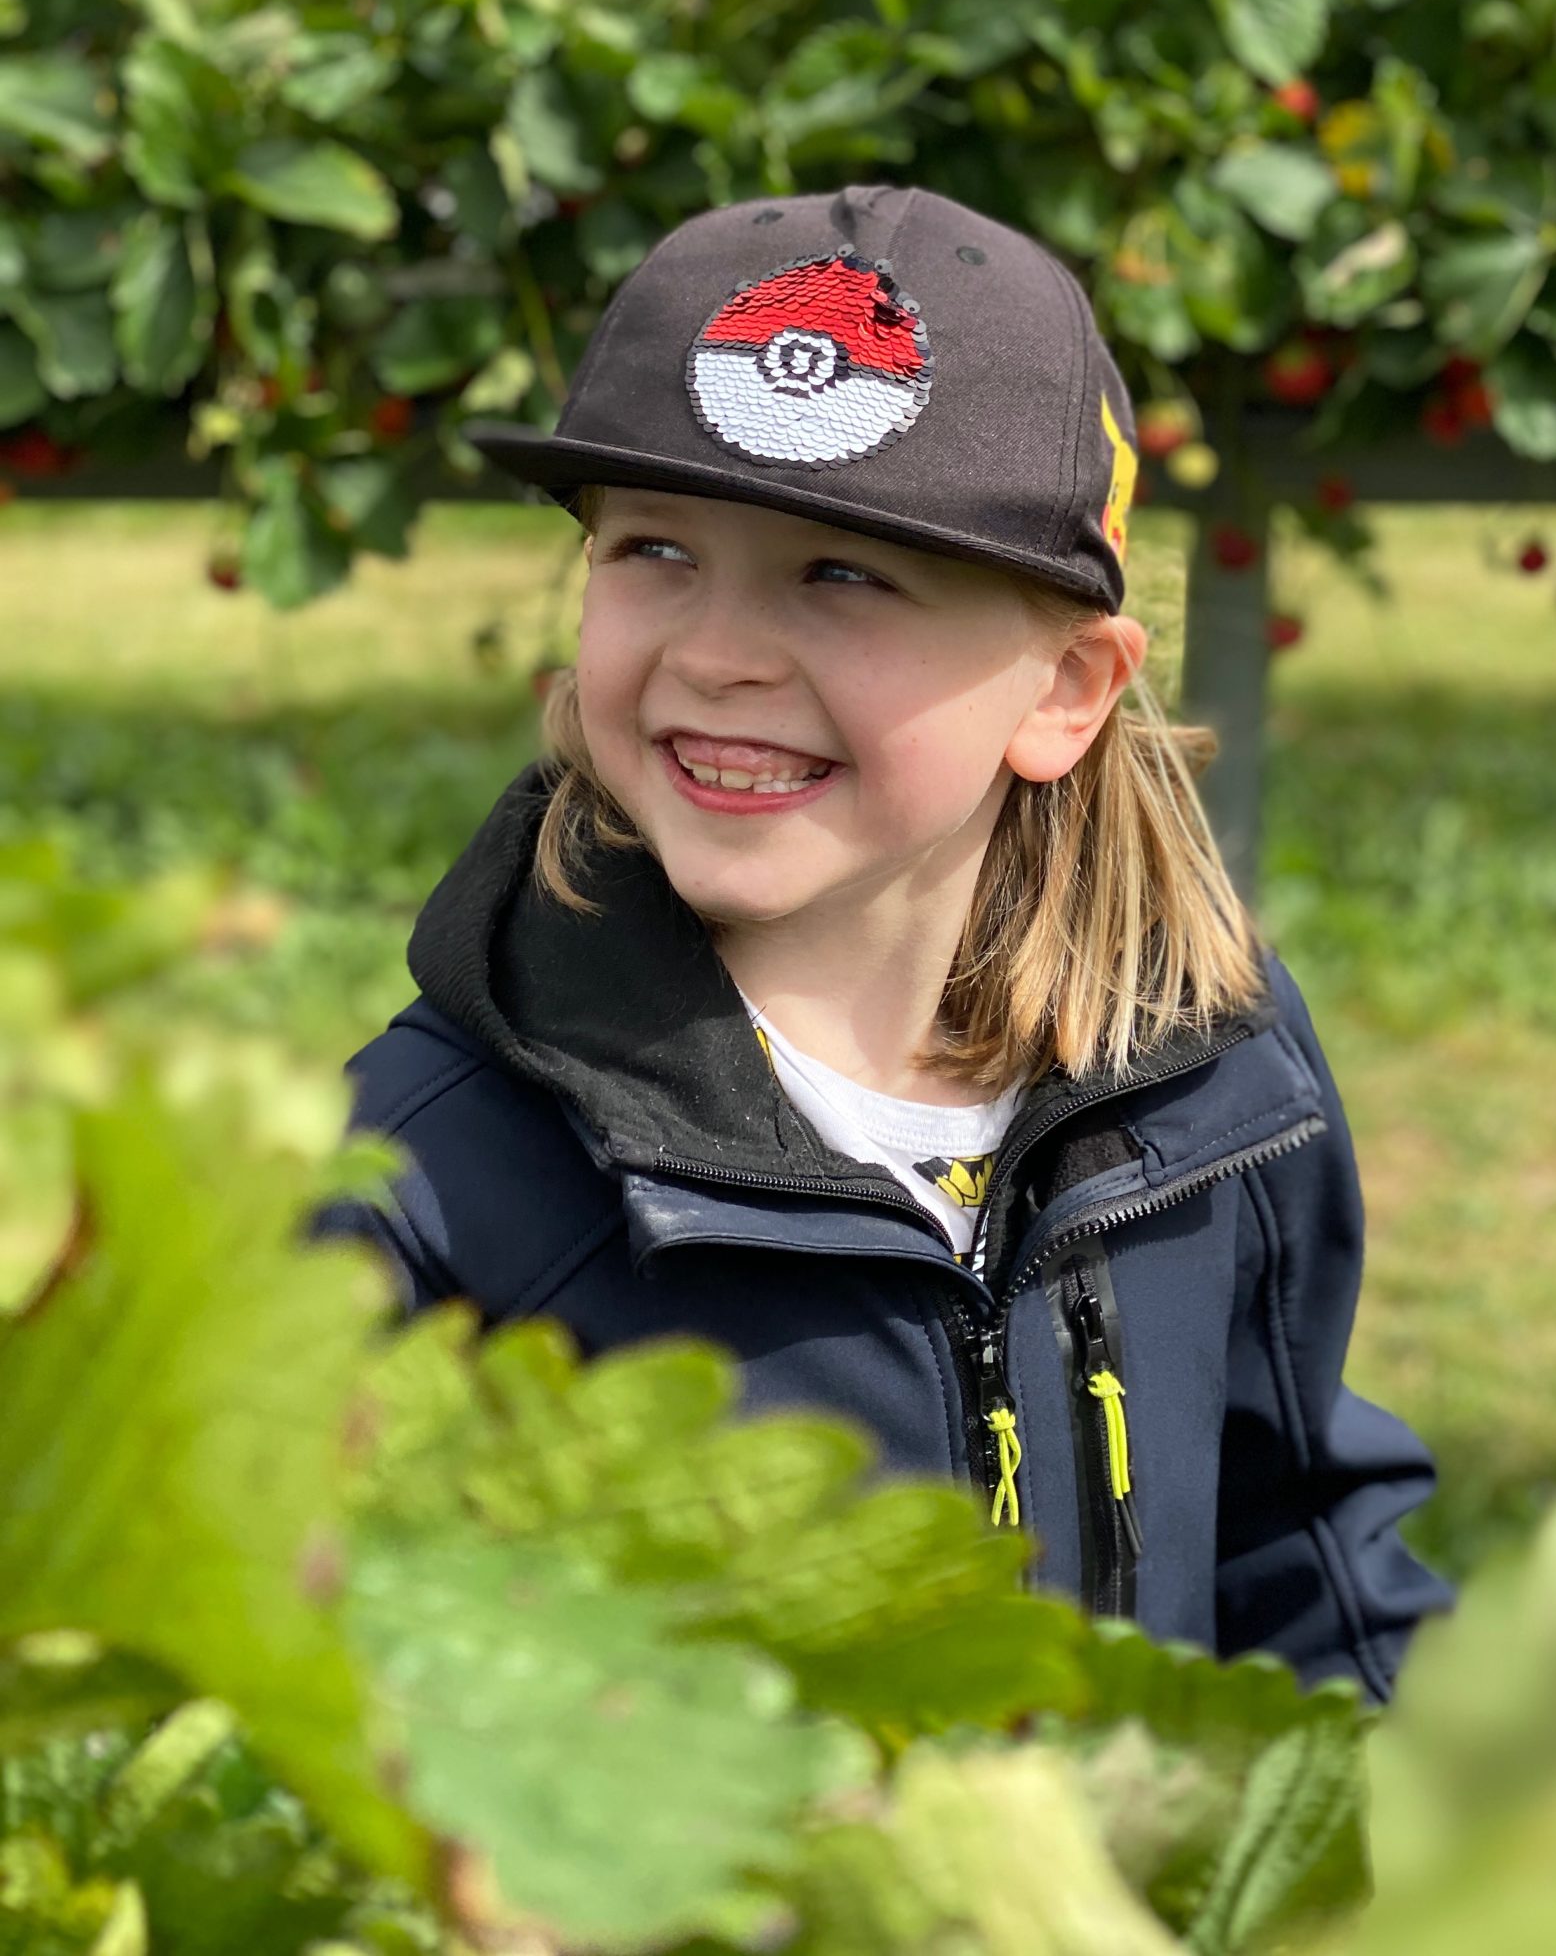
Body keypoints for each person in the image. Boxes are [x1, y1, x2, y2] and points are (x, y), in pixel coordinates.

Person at [317, 180, 1451, 1698]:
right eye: (653, 550)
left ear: (1065, 688)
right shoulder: (421, 1185)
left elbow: (1299, 1551)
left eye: (841, 573)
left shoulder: (1209, 1076)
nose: (716, 653)